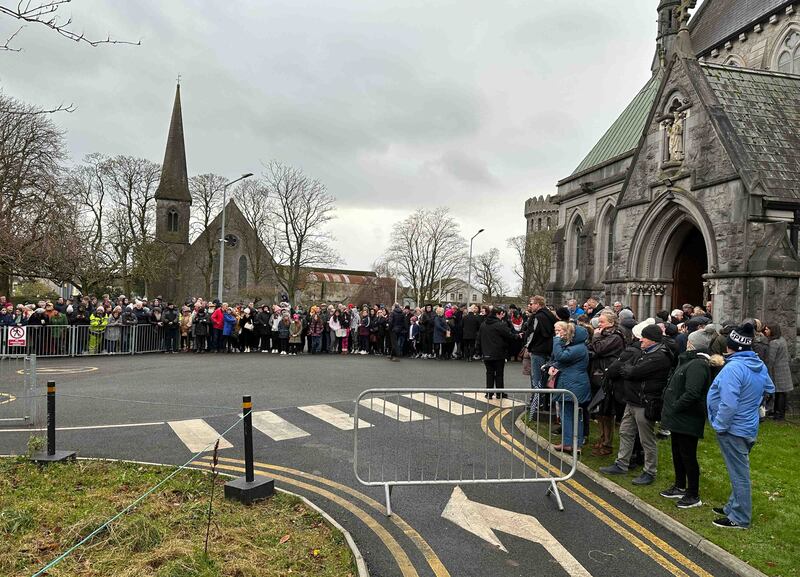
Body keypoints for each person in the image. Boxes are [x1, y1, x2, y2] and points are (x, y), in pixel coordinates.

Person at [707, 322, 775, 529]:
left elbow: (728, 403)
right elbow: (769, 388)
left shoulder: (734, 368)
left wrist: (719, 425)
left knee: (739, 473)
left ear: (731, 346)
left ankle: (740, 517)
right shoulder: (757, 364)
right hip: (747, 424)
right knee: (737, 469)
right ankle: (732, 506)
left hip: (733, 428)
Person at [600, 322, 673, 486]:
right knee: (625, 432)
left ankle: (650, 471)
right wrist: (629, 370)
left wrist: (629, 371)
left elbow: (632, 371)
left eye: (644, 338)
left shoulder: (659, 356)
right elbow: (625, 368)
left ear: (653, 340)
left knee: (647, 439)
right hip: (632, 400)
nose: (641, 341)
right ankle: (621, 463)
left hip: (645, 402)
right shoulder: (644, 352)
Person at [659, 329, 721, 509]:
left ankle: (693, 494)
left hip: (688, 417)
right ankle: (679, 486)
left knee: (688, 455)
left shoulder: (698, 364)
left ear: (692, 344)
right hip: (678, 417)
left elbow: (692, 393)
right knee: (677, 453)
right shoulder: (689, 360)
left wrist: (676, 407)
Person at [549, 321, 591, 452]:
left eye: (569, 333)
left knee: (569, 415)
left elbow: (560, 356)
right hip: (573, 383)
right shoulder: (578, 347)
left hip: (573, 385)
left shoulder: (577, 348)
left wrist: (556, 339)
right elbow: (564, 361)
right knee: (571, 415)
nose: (566, 335)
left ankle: (572, 444)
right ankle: (571, 443)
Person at [589, 311, 626, 456]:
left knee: (607, 412)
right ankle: (602, 438)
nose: (599, 324)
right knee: (600, 412)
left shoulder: (616, 337)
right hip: (599, 376)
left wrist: (596, 336)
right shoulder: (605, 335)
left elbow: (598, 349)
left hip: (609, 377)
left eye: (602, 322)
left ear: (611, 323)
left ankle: (607, 444)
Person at [478, 306, 519, 399]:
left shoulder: (483, 324)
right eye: (501, 314)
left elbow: (479, 338)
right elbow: (509, 335)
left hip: (486, 353)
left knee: (489, 373)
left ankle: (489, 393)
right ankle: (500, 393)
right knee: (499, 374)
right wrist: (517, 336)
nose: (502, 316)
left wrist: (479, 351)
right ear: (497, 314)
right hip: (498, 353)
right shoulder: (500, 325)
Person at [763, 323, 793, 421]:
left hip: (778, 371)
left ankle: (778, 415)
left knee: (780, 392)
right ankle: (779, 414)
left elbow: (771, 360)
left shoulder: (774, 343)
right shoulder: (782, 339)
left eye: (767, 329)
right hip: (784, 369)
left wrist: (766, 370)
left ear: (773, 330)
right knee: (782, 393)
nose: (765, 331)